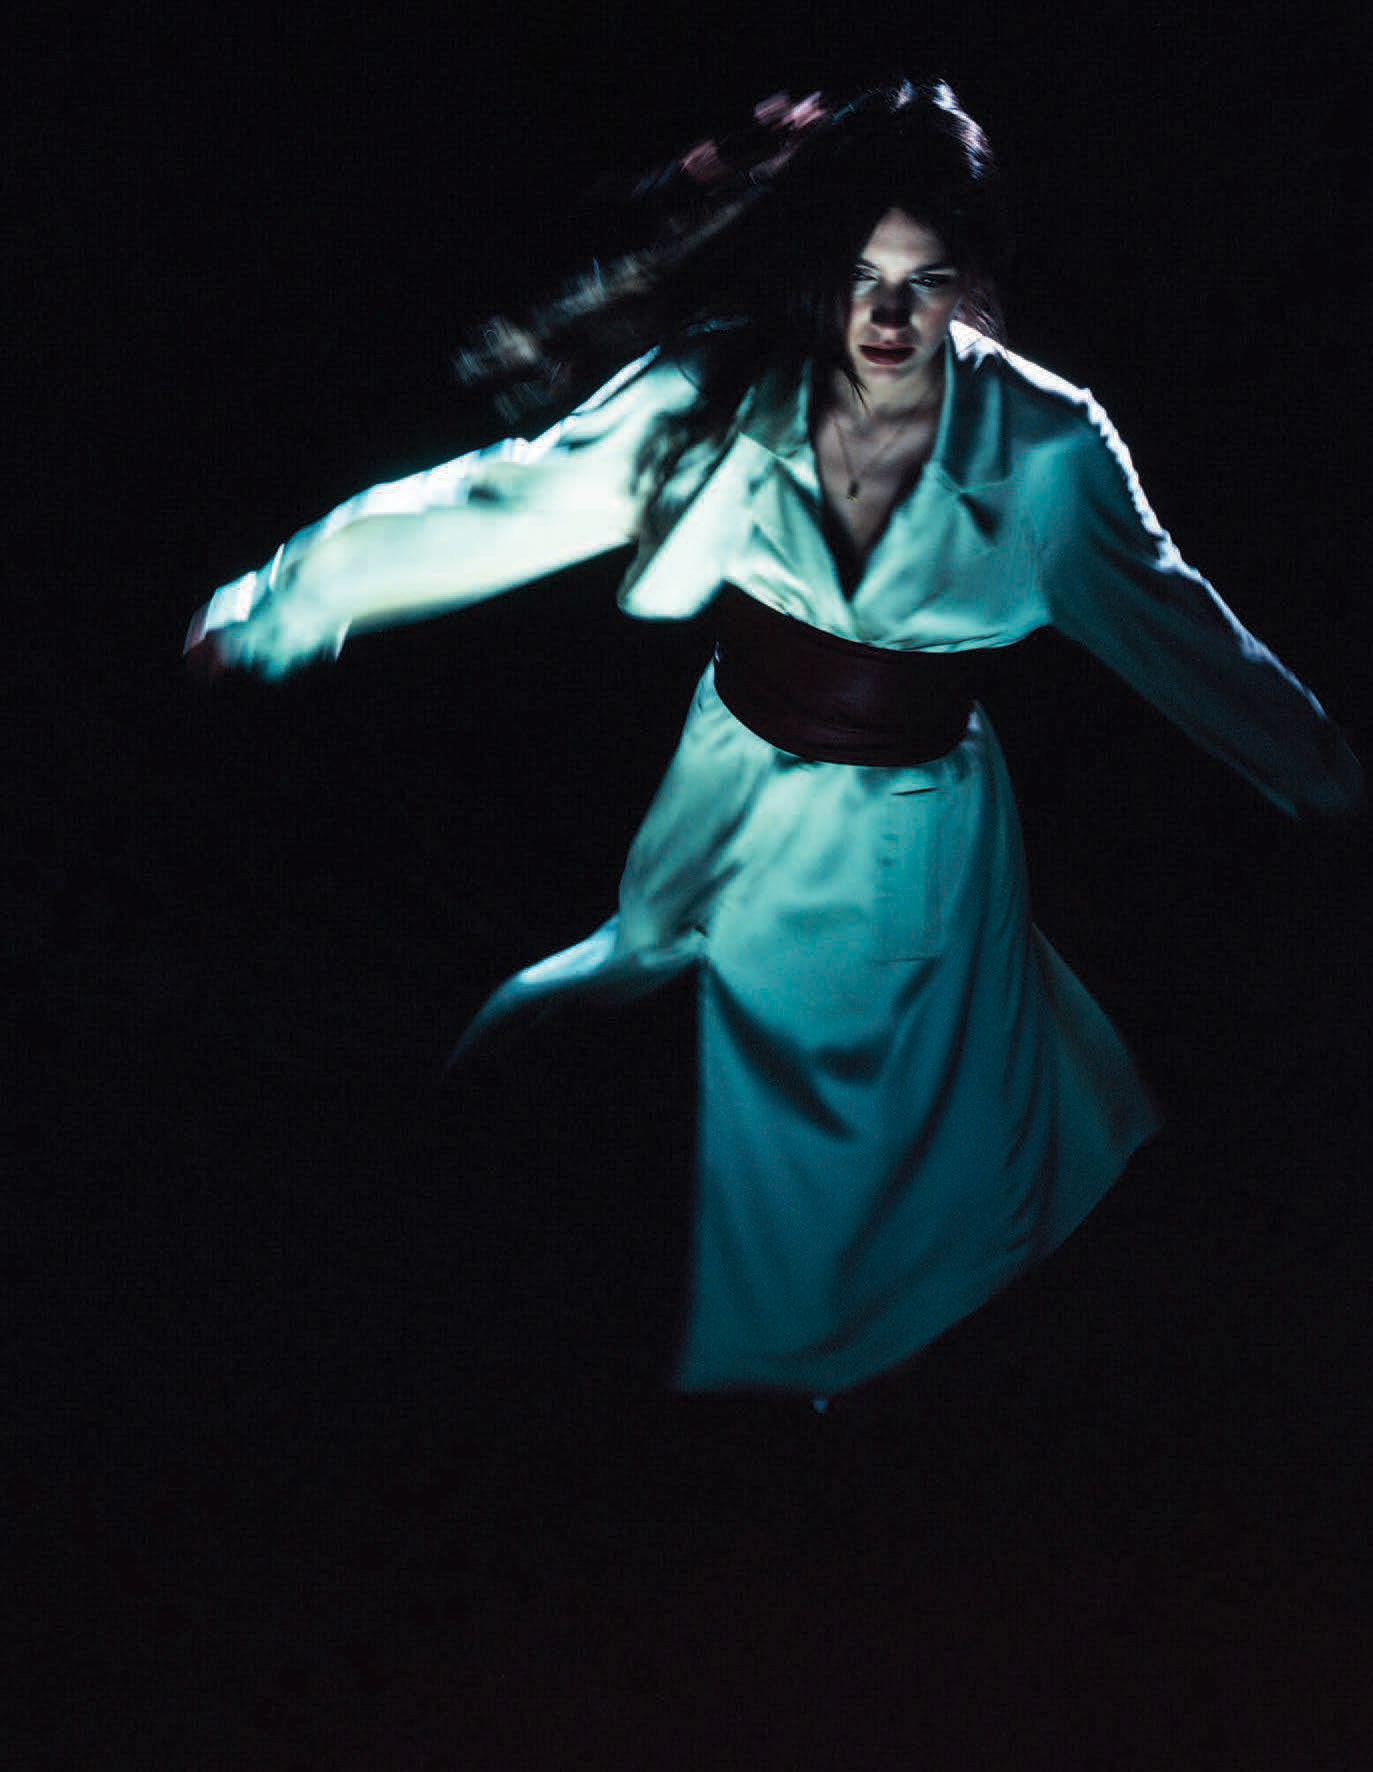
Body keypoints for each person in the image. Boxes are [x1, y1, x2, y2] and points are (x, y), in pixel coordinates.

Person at [186, 81, 1360, 1400]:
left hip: (917, 831)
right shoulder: (725, 383)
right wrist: (278, 608)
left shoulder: (1045, 444)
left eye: (923, 280)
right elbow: (509, 499)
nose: (888, 316)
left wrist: (1324, 776)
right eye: (861, 274)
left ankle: (866, 1389)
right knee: (677, 1060)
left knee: (895, 1142)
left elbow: (1179, 629)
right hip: (736, 781)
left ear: (967, 279)